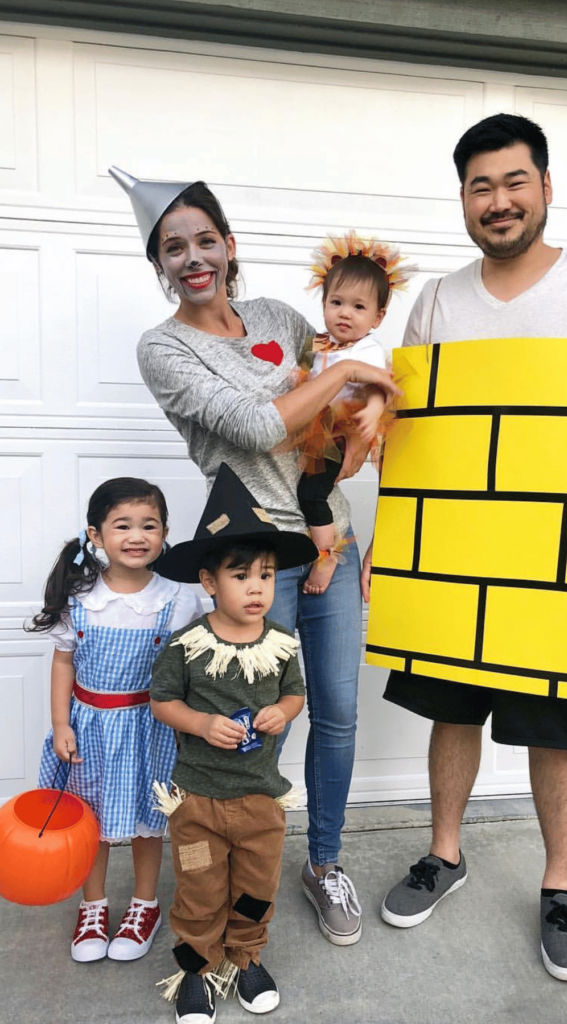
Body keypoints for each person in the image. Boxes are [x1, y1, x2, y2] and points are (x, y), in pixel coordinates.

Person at [361, 113, 567, 983]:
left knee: (552, 722)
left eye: (512, 181)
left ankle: (560, 886)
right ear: (462, 198)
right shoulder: (437, 300)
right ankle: (444, 854)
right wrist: (394, 540)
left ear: (544, 187)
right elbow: (412, 433)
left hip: (560, 556)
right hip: (455, 548)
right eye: (479, 186)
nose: (497, 201)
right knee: (451, 711)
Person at [109, 166, 399, 949]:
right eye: (174, 247)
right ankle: (239, 870)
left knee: (334, 714)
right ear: (159, 262)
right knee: (247, 722)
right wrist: (346, 374)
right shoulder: (163, 349)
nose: (193, 256)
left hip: (328, 542)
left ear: (230, 245)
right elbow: (256, 425)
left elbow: (338, 408)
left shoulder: (278, 315)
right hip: (251, 560)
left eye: (206, 239)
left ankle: (324, 861)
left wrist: (370, 404)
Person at [150, 462, 318, 1020]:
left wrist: (280, 711)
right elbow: (161, 701)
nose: (256, 587)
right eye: (241, 574)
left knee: (254, 885)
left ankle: (245, 956)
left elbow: (297, 696)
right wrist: (199, 723)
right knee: (198, 890)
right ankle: (194, 968)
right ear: (209, 582)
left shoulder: (283, 641)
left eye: (266, 575)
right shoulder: (187, 642)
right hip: (197, 801)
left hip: (260, 800)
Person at [28, 477, 204, 964]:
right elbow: (64, 662)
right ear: (96, 535)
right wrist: (61, 724)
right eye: (122, 525)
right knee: (90, 822)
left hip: (149, 728)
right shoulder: (80, 596)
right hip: (88, 728)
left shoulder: (178, 597)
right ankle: (94, 905)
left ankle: (144, 905)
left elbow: (193, 665)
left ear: (165, 533)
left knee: (149, 821)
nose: (136, 535)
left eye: (149, 525)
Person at [290, 231, 414, 595]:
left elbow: (383, 387)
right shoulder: (318, 343)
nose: (345, 313)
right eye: (337, 302)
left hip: (340, 433)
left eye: (359, 307)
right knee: (308, 488)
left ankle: (326, 554)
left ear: (378, 317)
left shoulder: (368, 350)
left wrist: (373, 414)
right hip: (316, 429)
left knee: (311, 493)